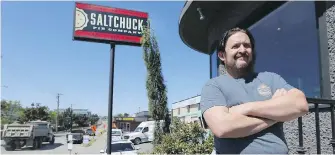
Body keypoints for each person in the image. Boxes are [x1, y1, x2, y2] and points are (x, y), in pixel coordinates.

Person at [200, 27, 309, 154]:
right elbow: (222, 127)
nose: (242, 50)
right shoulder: (213, 86)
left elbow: (301, 104)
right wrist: (276, 115)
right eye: (235, 46)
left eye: (247, 45)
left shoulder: (270, 78)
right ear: (222, 55)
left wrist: (247, 108)